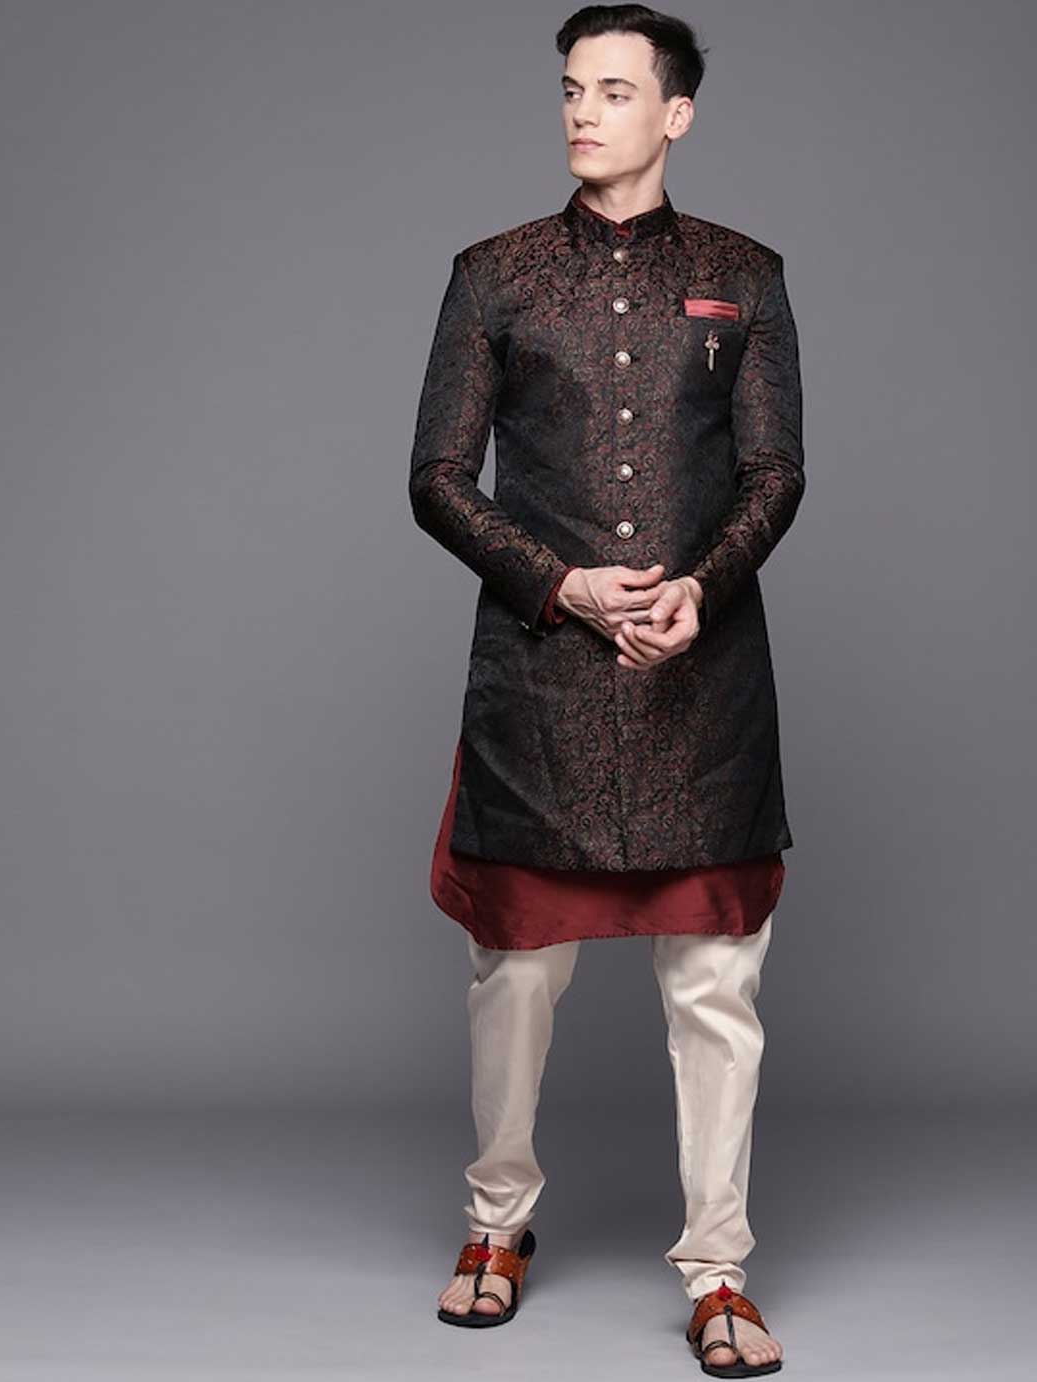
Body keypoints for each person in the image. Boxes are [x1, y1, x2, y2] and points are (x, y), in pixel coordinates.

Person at [408, 5, 803, 1373]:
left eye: (615, 91)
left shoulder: (745, 274)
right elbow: (437, 478)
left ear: (675, 114)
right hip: (543, 675)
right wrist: (562, 584)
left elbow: (774, 472)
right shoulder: (495, 275)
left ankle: (720, 1267)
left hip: (704, 674)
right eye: (572, 89)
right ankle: (497, 1222)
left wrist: (701, 584)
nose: (583, 112)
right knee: (514, 977)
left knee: (716, 987)